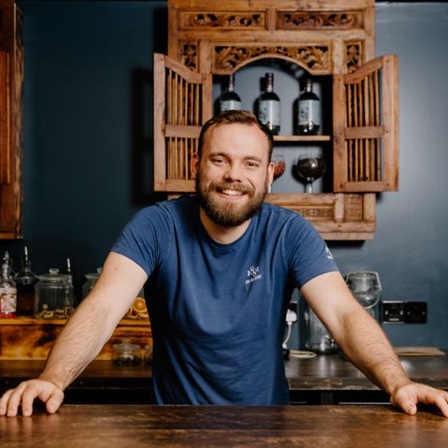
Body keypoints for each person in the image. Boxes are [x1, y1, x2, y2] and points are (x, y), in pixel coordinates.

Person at [1, 110, 448, 417]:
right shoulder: (155, 226)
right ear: (196, 164)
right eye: (220, 159)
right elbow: (101, 308)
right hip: (169, 429)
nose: (234, 174)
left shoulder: (290, 232)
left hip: (269, 429)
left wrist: (396, 383)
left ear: (268, 174)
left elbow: (346, 315)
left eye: (250, 163)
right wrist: (53, 379)